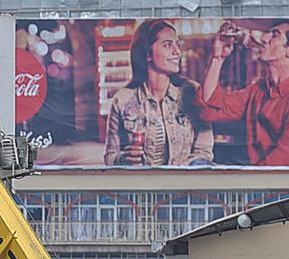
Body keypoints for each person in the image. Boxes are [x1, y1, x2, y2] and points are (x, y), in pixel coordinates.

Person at [104, 19, 213, 167]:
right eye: (168, 45)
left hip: (184, 185)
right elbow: (110, 157)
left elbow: (204, 153)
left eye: (177, 44)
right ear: (147, 54)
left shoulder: (192, 92)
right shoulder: (122, 100)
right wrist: (123, 159)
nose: (177, 52)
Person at [199, 21, 289, 166]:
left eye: (274, 36)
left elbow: (283, 158)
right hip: (257, 176)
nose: (264, 38)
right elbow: (209, 108)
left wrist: (247, 181)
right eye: (267, 33)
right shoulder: (260, 89)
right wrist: (218, 58)